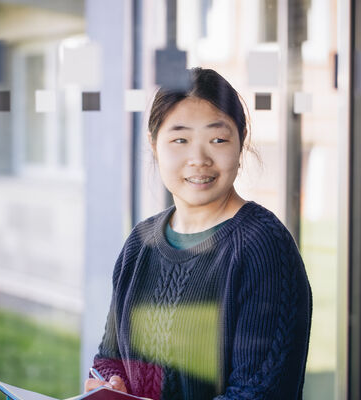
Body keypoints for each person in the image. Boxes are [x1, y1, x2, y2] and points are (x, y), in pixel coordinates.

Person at [84, 67, 312, 400]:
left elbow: (256, 393)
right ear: (154, 144)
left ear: (241, 141)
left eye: (217, 139)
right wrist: (109, 385)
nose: (198, 159)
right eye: (180, 139)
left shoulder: (262, 246)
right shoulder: (140, 242)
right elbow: (110, 358)